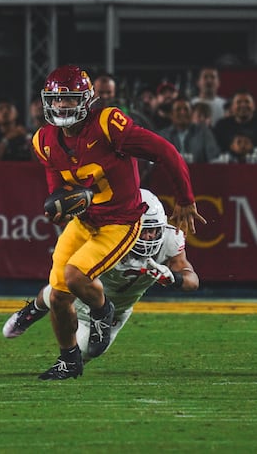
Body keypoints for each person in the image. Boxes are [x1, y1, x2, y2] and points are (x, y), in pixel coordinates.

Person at [29, 64, 205, 380]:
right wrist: (61, 209)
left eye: (69, 99)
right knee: (58, 296)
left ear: (85, 100)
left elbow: (165, 151)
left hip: (120, 221)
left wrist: (185, 198)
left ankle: (103, 311)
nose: (61, 106)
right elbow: (58, 191)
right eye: (56, 100)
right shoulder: (43, 140)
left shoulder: (108, 124)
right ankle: (69, 360)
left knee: (75, 275)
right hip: (86, 221)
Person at [3, 189, 199, 361]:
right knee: (59, 291)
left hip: (118, 309)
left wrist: (176, 278)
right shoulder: (110, 234)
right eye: (144, 231)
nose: (149, 237)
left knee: (88, 352)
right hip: (88, 293)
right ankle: (34, 310)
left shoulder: (170, 240)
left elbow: (192, 280)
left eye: (154, 231)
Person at [213, 89, 257, 158]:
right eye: (239, 102)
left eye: (247, 102)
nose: (243, 105)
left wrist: (251, 150)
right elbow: (213, 152)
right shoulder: (221, 125)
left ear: (254, 106)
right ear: (232, 107)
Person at [159, 97, 220, 163]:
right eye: (178, 109)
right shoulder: (163, 136)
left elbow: (214, 159)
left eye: (186, 109)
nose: (182, 112)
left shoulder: (204, 133)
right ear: (171, 114)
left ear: (191, 113)